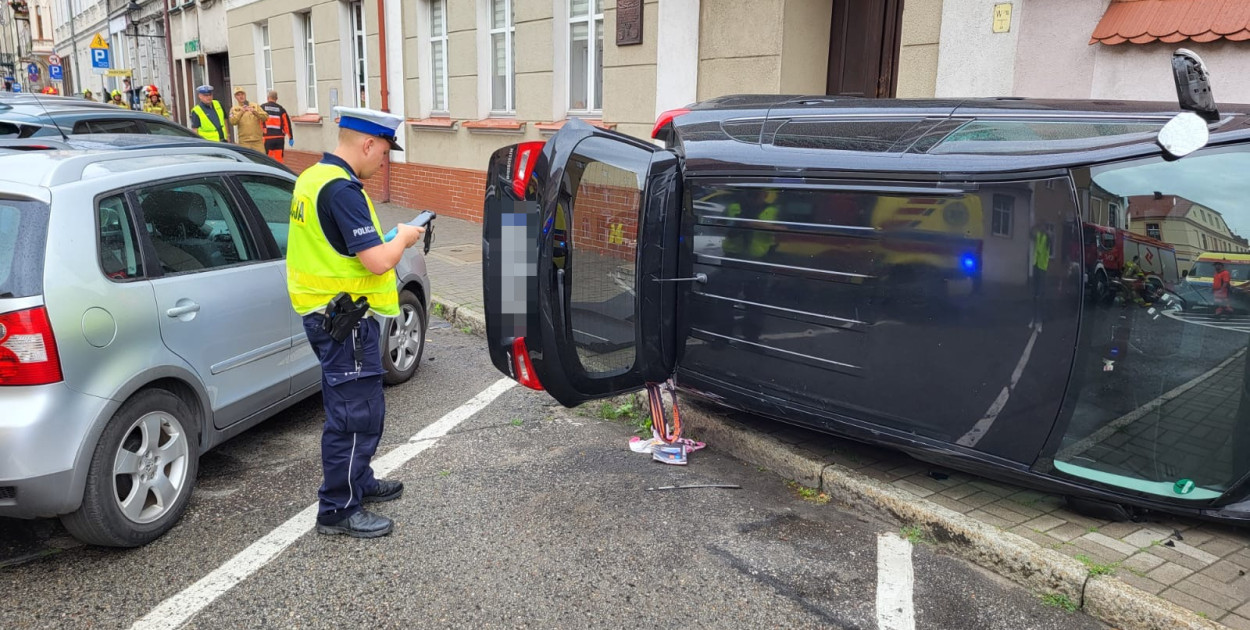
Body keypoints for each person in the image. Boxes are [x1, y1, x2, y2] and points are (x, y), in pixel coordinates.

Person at [286, 106, 420, 538]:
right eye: (382, 152)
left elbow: (340, 249)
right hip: (344, 322)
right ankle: (338, 509)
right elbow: (378, 260)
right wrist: (403, 237)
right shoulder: (342, 190)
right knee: (354, 414)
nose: (383, 162)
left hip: (330, 315)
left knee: (358, 406)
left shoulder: (313, 177)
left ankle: (357, 480)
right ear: (366, 144)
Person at [228, 87, 267, 153]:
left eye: (242, 94)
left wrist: (255, 112)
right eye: (238, 95)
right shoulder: (234, 109)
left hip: (257, 141)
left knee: (261, 160)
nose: (241, 96)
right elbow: (232, 122)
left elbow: (265, 117)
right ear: (235, 97)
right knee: (246, 160)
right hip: (244, 142)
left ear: (245, 95)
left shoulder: (255, 106)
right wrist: (241, 112)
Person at [260, 90, 294, 163]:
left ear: (268, 98)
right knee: (279, 160)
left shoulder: (262, 107)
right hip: (279, 139)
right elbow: (287, 124)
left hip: (268, 138)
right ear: (276, 99)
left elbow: (259, 122)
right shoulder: (281, 109)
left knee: (267, 160)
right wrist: (291, 137)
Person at [1029, 223, 1052, 332]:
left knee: (1040, 295)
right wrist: (1034, 226)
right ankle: (1034, 319)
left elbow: (1051, 239)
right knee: (1034, 295)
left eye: (1044, 227)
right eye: (1041, 227)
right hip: (1036, 265)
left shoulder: (1048, 237)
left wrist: (1047, 232)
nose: (1042, 229)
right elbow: (1031, 235)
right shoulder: (1038, 235)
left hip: (1042, 268)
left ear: (1046, 228)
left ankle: (1040, 321)